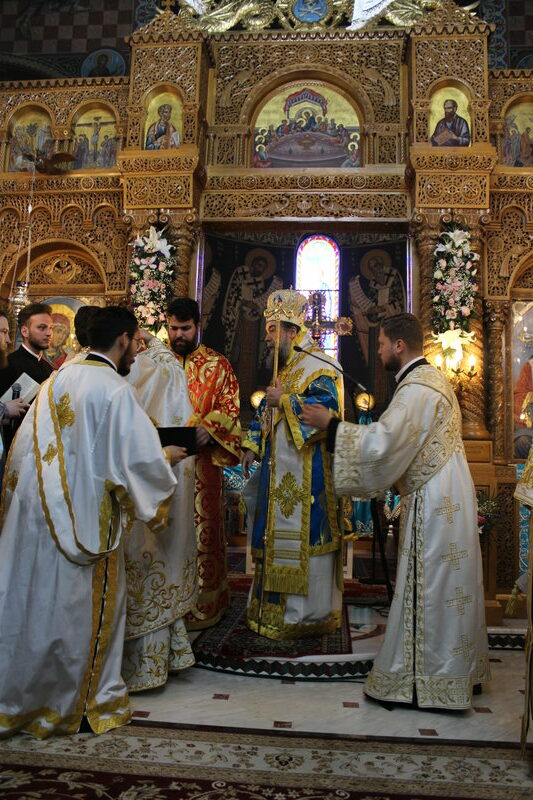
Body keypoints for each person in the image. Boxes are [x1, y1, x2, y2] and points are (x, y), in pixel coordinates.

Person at [0, 306, 184, 738]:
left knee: (39, 608)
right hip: (86, 524)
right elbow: (137, 463)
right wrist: (167, 457)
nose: (137, 352)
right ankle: (81, 703)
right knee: (77, 613)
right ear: (122, 339)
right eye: (136, 342)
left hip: (38, 518)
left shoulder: (58, 378)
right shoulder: (114, 389)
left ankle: (29, 698)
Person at [302, 312, 490, 709]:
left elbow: (383, 443)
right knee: (449, 589)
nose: (380, 350)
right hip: (447, 491)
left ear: (399, 345)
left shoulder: (417, 389)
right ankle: (455, 674)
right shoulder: (430, 381)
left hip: (434, 500)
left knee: (433, 587)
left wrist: (332, 426)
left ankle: (427, 681)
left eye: (383, 343)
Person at [241, 289, 343, 640]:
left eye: (272, 330)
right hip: (277, 470)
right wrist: (252, 444)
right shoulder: (285, 369)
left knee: (303, 538)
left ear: (291, 330)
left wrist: (285, 400)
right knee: (271, 535)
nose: (267, 338)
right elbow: (266, 410)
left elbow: (328, 413)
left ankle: (305, 616)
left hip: (308, 473)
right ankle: (269, 612)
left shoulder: (319, 367)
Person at [122, 327, 198, 691]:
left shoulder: (74, 374)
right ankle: (162, 654)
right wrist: (155, 344)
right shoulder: (159, 366)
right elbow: (172, 381)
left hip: (120, 493)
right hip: (147, 480)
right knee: (152, 567)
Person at [165, 297, 242, 628]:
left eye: (185, 328)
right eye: (173, 328)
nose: (178, 335)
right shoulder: (157, 363)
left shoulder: (217, 365)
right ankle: (165, 605)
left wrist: (209, 429)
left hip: (202, 466)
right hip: (163, 465)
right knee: (165, 534)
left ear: (198, 326)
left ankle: (203, 605)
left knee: (202, 535)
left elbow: (230, 408)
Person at [0, 302, 55, 449]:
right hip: (13, 444)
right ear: (25, 331)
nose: (49, 333)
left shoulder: (49, 369)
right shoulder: (8, 364)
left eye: (51, 328)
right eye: (42, 327)